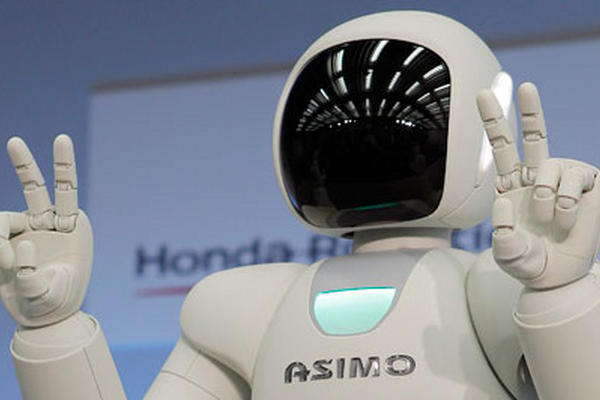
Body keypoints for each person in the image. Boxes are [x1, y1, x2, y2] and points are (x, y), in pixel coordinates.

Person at [2, 11, 599, 400]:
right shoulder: (245, 311)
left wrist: (560, 297)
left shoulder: (494, 291)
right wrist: (52, 332)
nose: (364, 139)